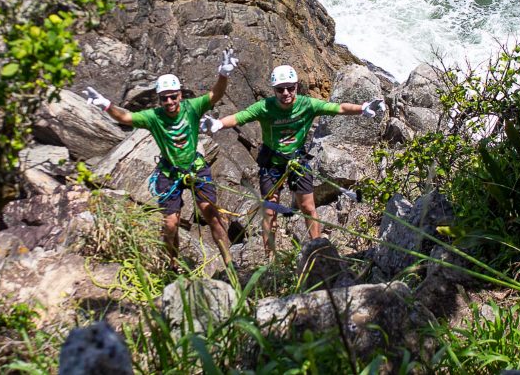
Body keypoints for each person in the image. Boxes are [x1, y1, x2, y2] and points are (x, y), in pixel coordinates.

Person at [200, 64, 383, 258]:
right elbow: (240, 117)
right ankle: (270, 258)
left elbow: (338, 108)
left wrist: (362, 108)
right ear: (274, 90)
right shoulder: (265, 107)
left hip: (297, 160)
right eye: (280, 89)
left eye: (290, 88)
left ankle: (318, 252)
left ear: (297, 86)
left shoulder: (306, 104)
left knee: (308, 207)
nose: (286, 93)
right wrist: (219, 124)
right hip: (272, 164)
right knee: (270, 211)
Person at [82, 49, 239, 271]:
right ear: (160, 99)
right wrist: (106, 105)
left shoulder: (191, 108)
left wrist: (223, 75)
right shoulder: (154, 117)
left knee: (211, 214)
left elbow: (215, 95)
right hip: (170, 172)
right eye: (164, 98)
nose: (169, 101)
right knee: (170, 224)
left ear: (180, 95)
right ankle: (172, 264)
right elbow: (126, 117)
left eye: (173, 96)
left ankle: (229, 264)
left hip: (195, 167)